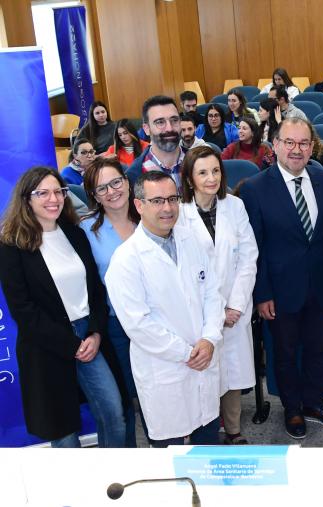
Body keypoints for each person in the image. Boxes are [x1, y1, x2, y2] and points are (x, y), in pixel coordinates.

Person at [0, 167, 126, 448]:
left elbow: (95, 289)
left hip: (89, 337)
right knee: (64, 432)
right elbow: (23, 310)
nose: (53, 198)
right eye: (42, 193)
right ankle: (74, 491)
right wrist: (70, 344)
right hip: (46, 345)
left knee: (113, 413)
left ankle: (113, 483)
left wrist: (94, 333)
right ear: (26, 198)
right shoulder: (11, 245)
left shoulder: (75, 232)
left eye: (58, 191)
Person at [240, 117, 323, 439]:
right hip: (279, 290)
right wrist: (261, 294)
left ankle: (314, 403)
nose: (297, 150)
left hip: (321, 285)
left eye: (303, 143)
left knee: (318, 349)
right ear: (275, 146)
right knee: (284, 353)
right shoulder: (255, 189)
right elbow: (253, 248)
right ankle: (292, 409)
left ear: (312, 146)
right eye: (289, 142)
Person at [105, 171, 225, 446]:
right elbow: (138, 325)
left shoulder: (191, 241)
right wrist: (187, 353)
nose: (168, 208)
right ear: (139, 205)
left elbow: (212, 294)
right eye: (157, 201)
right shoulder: (126, 260)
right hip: (165, 368)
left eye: (172, 199)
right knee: (168, 453)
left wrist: (209, 339)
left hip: (204, 357)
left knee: (207, 440)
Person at [179, 146, 259, 445]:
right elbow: (182, 270)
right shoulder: (179, 214)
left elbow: (249, 256)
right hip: (198, 313)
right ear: (189, 179)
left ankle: (234, 431)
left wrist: (235, 305)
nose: (211, 178)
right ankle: (206, 433)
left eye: (215, 171)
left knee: (233, 375)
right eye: (202, 172)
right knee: (204, 374)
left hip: (234, 308)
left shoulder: (234, 206)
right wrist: (213, 314)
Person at [80, 158, 143, 447]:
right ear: (93, 196)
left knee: (162, 393)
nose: (112, 191)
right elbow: (90, 286)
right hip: (118, 326)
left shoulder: (150, 215)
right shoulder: (86, 231)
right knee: (124, 400)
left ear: (127, 182)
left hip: (162, 318)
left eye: (116, 182)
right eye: (101, 188)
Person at [127, 96, 187, 189]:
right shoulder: (133, 176)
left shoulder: (200, 162)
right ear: (146, 129)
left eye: (174, 120)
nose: (169, 128)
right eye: (160, 122)